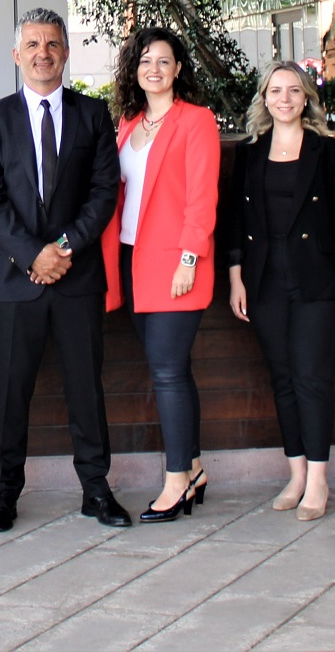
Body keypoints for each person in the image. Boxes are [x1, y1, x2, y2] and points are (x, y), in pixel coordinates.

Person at [0, 8, 127, 534]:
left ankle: (96, 489)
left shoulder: (93, 115)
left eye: (53, 44)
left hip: (77, 276)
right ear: (17, 55)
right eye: (33, 44)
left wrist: (62, 248)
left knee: (86, 388)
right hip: (16, 281)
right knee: (11, 392)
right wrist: (31, 254)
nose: (43, 53)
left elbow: (104, 191)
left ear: (66, 52)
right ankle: (4, 493)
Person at [226, 62, 335, 521]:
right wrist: (236, 277)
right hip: (264, 280)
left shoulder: (328, 151)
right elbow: (236, 221)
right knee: (282, 379)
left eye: (293, 91)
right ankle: (297, 475)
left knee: (312, 378)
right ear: (264, 99)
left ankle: (319, 480)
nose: (284, 98)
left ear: (306, 98)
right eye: (275, 90)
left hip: (317, 280)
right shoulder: (248, 153)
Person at [99, 27, 218, 523]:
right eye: (145, 61)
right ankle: (194, 468)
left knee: (167, 372)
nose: (154, 69)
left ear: (178, 69)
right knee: (172, 369)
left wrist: (188, 260)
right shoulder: (128, 122)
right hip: (133, 260)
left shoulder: (196, 120)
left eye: (163, 61)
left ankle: (175, 481)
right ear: (135, 70)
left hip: (176, 264)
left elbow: (201, 197)